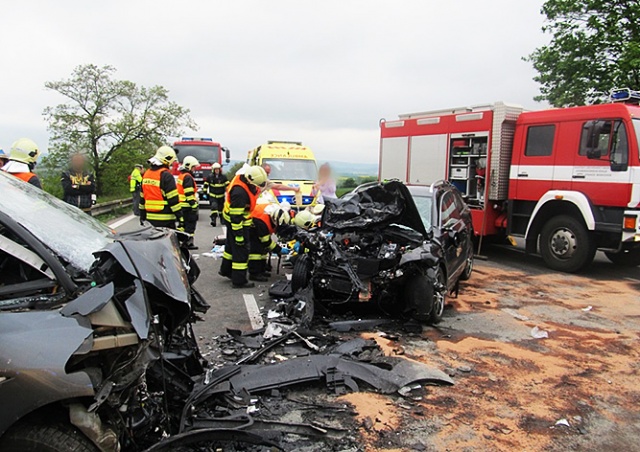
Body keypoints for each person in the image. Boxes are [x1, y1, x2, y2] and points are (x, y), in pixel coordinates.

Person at [219, 165, 268, 288]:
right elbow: (236, 217)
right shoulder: (240, 193)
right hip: (236, 223)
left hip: (233, 219)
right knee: (241, 252)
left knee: (231, 248)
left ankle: (226, 270)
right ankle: (239, 281)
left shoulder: (243, 180)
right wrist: (239, 236)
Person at [139, 146, 184, 230]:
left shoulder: (146, 174)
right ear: (167, 160)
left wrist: (142, 217)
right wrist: (180, 218)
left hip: (150, 220)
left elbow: (142, 199)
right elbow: (173, 200)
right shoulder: (166, 175)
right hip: (166, 220)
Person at [248, 204, 291, 281]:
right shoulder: (262, 223)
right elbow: (266, 242)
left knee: (263, 249)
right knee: (256, 251)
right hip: (251, 226)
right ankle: (254, 273)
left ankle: (261, 269)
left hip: (256, 221)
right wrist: (279, 250)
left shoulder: (277, 213)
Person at [177, 156, 200, 250]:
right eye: (194, 167)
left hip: (181, 204)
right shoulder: (188, 177)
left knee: (182, 225)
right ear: (189, 166)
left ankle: (180, 242)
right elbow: (189, 193)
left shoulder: (182, 175)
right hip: (187, 206)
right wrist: (194, 205)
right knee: (190, 225)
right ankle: (188, 243)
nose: (194, 169)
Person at [202, 162, 228, 227]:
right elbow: (206, 185)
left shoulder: (223, 177)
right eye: (216, 169)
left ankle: (222, 220)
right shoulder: (210, 177)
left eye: (218, 169)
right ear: (213, 170)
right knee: (214, 208)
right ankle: (213, 220)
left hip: (221, 196)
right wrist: (204, 193)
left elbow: (228, 185)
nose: (217, 171)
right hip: (213, 196)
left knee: (220, 209)